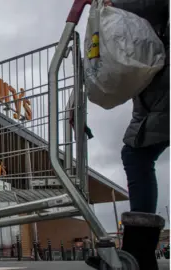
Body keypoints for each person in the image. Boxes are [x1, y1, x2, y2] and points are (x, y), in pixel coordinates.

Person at [86, 0, 169, 269]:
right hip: (152, 91)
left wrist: (112, 4)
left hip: (159, 89)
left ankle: (138, 254)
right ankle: (137, 253)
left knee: (136, 155)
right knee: (135, 154)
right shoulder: (138, 51)